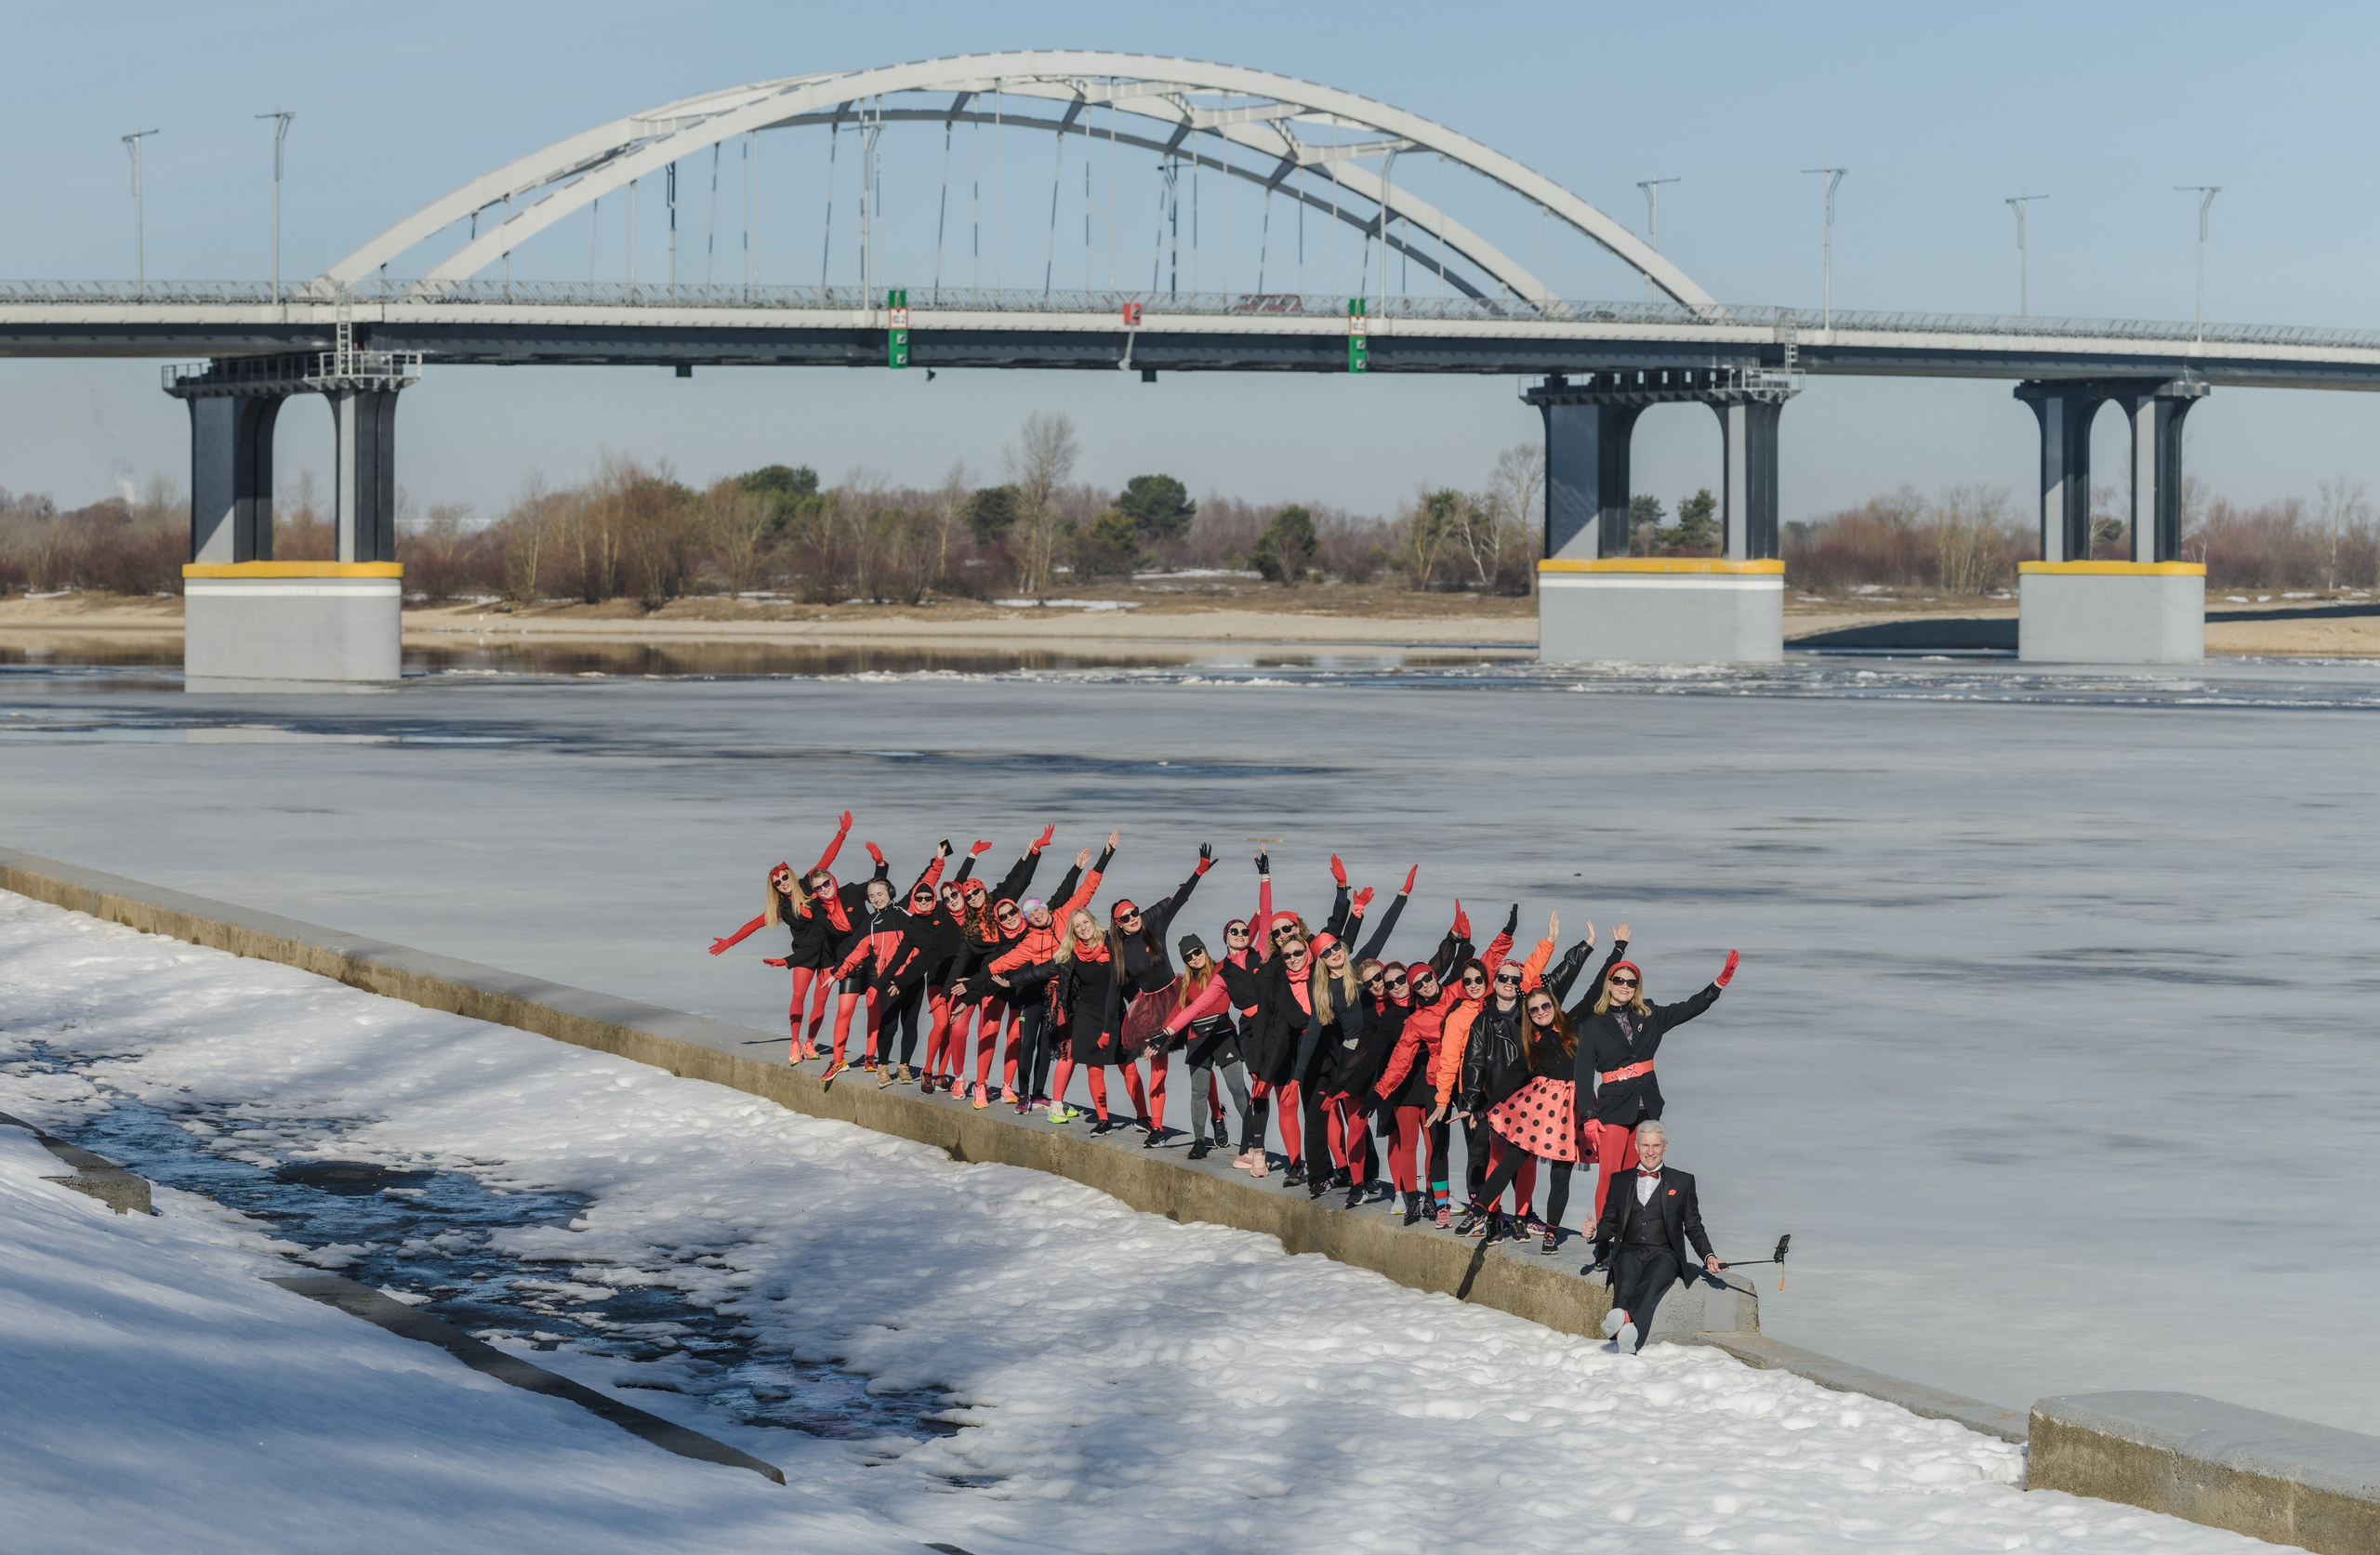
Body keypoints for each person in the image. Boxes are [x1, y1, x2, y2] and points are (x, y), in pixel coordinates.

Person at [1571, 947, 1739, 1227]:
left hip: (1645, 1106)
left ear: (1637, 987)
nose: (1624, 986)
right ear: (1609, 984)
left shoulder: (1650, 1015)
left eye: (1631, 982)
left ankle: (1624, 1237)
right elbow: (1583, 1073)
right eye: (1618, 980)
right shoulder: (1592, 1025)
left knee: (1632, 1177)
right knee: (1611, 1176)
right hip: (1613, 1109)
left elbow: (1688, 1008)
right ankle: (1603, 1238)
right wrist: (1588, 1115)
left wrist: (1717, 985)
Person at [707, 810, 853, 1060]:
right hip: (804, 954)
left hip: (829, 951)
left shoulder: (808, 883)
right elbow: (753, 924)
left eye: (785, 877)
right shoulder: (781, 909)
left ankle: (810, 1043)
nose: (783, 882)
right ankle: (795, 1043)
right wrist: (729, 942)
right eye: (778, 882)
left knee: (820, 1001)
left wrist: (842, 833)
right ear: (774, 888)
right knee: (798, 996)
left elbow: (826, 859)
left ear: (791, 876)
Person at [1108, 844, 1215, 1141]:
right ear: (1118, 924)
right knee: (1159, 1069)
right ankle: (1156, 1127)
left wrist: (1198, 871)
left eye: (1134, 912)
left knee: (1202, 1057)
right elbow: (1113, 991)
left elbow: (1179, 900)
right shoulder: (1119, 952)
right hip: (1151, 1011)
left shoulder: (1154, 930)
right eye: (1125, 917)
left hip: (1179, 998)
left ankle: (1217, 1114)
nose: (1132, 918)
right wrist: (1106, 1029)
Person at [1592, 1120, 1724, 1354]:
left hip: (1664, 1253)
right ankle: (1627, 1334)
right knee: (1625, 1283)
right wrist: (1595, 1232)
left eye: (1655, 1145)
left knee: (1652, 1281)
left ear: (1665, 1147)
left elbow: (1693, 1226)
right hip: (1628, 1249)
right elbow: (1610, 1223)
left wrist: (1708, 1256)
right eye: (1645, 1145)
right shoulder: (1619, 1180)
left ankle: (1622, 1324)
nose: (1650, 1151)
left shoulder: (1683, 1182)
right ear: (1636, 1147)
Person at [825, 842, 952, 1084]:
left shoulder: (906, 912)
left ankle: (903, 1067)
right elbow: (855, 953)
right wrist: (837, 973)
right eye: (872, 896)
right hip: (888, 980)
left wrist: (939, 860)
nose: (876, 899)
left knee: (910, 1024)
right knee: (889, 1025)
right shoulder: (870, 925)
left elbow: (925, 883)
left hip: (913, 978)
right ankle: (882, 1067)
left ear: (890, 893)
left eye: (880, 894)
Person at [1154, 934, 1253, 1161]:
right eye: (1188, 957)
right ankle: (1199, 1141)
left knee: (1237, 1087)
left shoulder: (1222, 968)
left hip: (1224, 1035)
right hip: (1197, 1039)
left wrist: (1257, 917)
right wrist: (1160, 1036)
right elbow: (1178, 1012)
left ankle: (1253, 1138)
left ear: (1204, 949)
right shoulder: (1186, 983)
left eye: (1197, 952)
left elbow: (1242, 945)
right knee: (1198, 1092)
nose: (1194, 958)